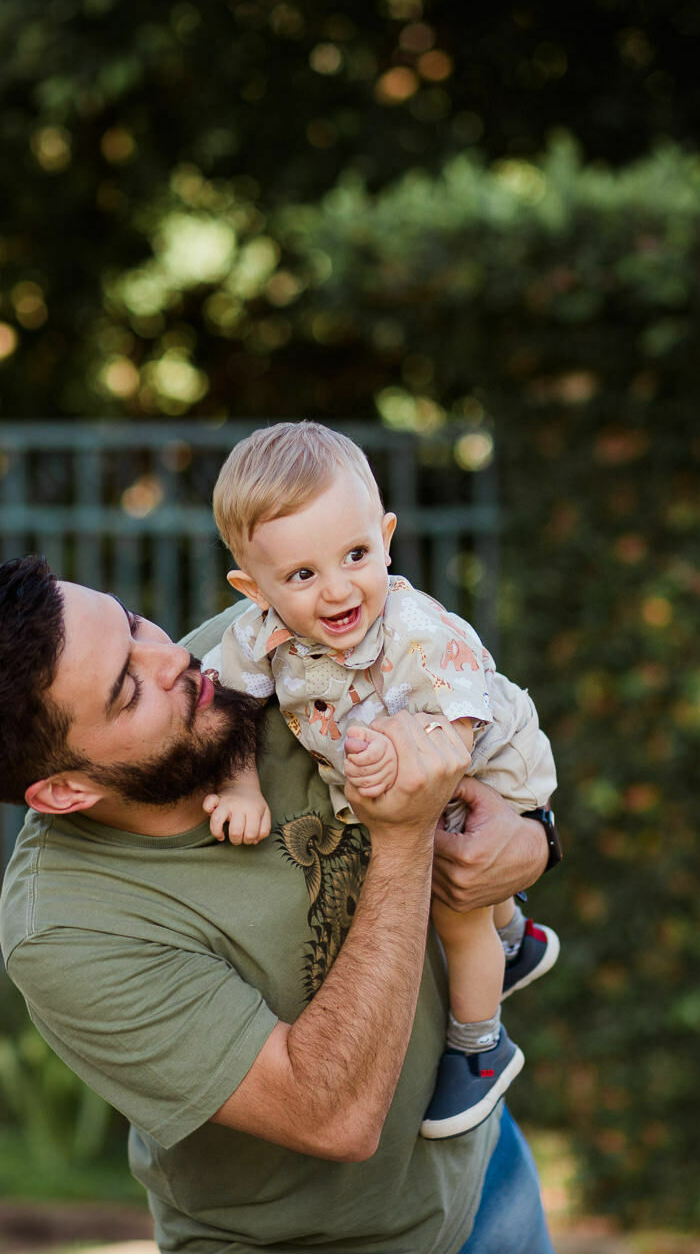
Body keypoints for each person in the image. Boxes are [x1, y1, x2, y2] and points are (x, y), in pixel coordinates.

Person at [0, 554, 559, 1253]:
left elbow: (478, 720)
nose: (173, 658)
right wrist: (404, 837)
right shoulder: (67, 930)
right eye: (127, 690)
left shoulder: (267, 646)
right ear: (65, 791)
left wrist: (534, 838)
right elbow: (335, 1118)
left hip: (483, 1175)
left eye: (133, 623)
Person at [203, 422, 560, 1140]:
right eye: (302, 575)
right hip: (403, 774)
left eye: (356, 555)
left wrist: (398, 762)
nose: (338, 589)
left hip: (478, 758)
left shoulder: (417, 629)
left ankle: (482, 1047)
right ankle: (516, 938)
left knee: (454, 903)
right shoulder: (258, 633)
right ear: (254, 588)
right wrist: (240, 787)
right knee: (464, 896)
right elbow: (227, 707)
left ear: (386, 538)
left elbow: (458, 732)